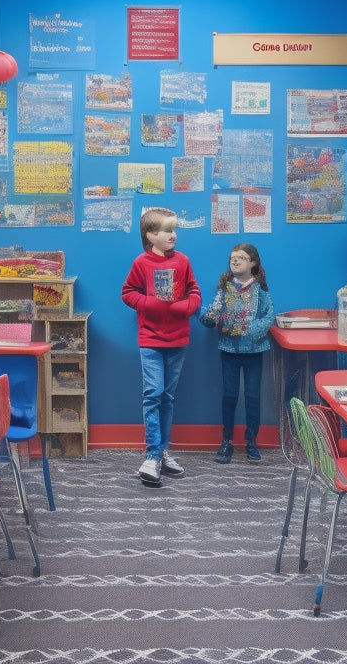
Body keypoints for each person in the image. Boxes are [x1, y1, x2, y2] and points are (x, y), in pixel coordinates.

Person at [121, 207, 201, 485]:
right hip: (151, 340)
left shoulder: (183, 261)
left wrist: (187, 307)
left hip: (178, 339)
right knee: (152, 394)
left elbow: (194, 291)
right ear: (151, 235)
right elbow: (128, 293)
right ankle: (152, 456)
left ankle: (162, 451)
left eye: (174, 230)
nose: (173, 235)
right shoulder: (141, 263)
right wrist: (151, 303)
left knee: (166, 397)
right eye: (168, 230)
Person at [199, 243, 274, 464]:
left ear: (253, 263)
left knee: (252, 397)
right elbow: (215, 310)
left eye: (241, 257)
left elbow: (269, 316)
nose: (235, 261)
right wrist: (209, 317)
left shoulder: (260, 290)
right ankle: (226, 442)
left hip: (254, 351)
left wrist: (253, 329)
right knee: (229, 396)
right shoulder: (224, 288)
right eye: (232, 257)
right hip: (229, 350)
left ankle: (252, 441)